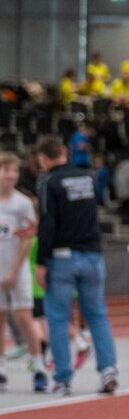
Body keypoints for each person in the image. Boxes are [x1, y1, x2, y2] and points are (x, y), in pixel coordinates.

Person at [33, 136, 118, 397]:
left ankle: (63, 379)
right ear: (65, 153)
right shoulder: (89, 178)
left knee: (58, 318)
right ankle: (109, 370)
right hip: (92, 255)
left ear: (43, 159)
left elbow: (47, 223)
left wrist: (40, 262)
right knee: (97, 315)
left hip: (62, 258)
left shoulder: (49, 181)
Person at [0, 151, 47, 391]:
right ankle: (1, 370)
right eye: (6, 170)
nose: (11, 175)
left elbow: (27, 240)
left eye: (14, 171)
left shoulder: (23, 204)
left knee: (23, 318)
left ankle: (38, 366)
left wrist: (13, 271)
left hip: (16, 271)